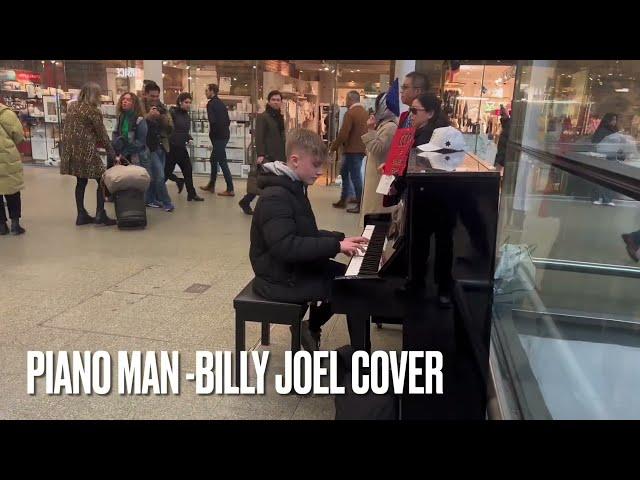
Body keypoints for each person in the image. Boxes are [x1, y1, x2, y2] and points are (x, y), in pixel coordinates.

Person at [250, 128, 370, 351]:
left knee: (351, 279)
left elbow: (305, 233)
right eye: (315, 165)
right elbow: (286, 246)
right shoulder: (276, 196)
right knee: (353, 289)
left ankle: (311, 327)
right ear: (295, 161)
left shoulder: (292, 187)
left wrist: (342, 240)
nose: (319, 171)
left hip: (289, 269)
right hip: (278, 278)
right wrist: (335, 245)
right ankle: (359, 357)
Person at [59, 82, 117, 226]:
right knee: (102, 180)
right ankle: (100, 214)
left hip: (71, 149)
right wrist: (112, 154)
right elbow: (102, 134)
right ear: (94, 95)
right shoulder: (93, 110)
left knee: (81, 181)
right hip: (86, 150)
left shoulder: (72, 107)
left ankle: (81, 214)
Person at [239, 90, 286, 215]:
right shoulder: (263, 117)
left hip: (279, 154)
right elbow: (259, 136)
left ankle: (248, 201)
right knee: (263, 181)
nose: (276, 102)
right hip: (267, 154)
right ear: (269, 101)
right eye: (273, 100)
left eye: (278, 100)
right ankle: (249, 202)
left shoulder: (279, 117)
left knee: (267, 181)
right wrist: (260, 154)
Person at [359, 91, 398, 226]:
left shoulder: (390, 127)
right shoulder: (385, 125)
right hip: (376, 177)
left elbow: (377, 150)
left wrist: (370, 130)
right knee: (372, 215)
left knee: (375, 216)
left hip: (379, 179)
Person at [330, 90, 368, 214]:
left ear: (350, 99)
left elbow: (343, 134)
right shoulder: (365, 113)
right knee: (345, 172)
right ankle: (345, 199)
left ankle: (359, 203)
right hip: (362, 149)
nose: (346, 102)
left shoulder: (350, 113)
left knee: (355, 177)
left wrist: (333, 147)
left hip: (351, 150)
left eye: (347, 99)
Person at [141, 81, 175, 212]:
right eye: (152, 96)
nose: (155, 99)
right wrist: (148, 117)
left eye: (157, 96)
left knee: (156, 176)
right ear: (146, 95)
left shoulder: (162, 107)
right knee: (160, 175)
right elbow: (136, 123)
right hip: (148, 146)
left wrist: (161, 118)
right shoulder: (140, 106)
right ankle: (166, 202)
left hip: (162, 145)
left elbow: (170, 126)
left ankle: (150, 199)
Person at [167, 92, 203, 202]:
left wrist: (189, 137)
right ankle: (177, 181)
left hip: (181, 147)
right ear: (180, 102)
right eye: (186, 102)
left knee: (188, 170)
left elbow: (183, 131)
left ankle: (191, 194)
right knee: (166, 172)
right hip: (172, 147)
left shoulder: (186, 115)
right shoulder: (172, 113)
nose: (188, 105)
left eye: (190, 103)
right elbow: (170, 128)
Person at [200, 83, 234, 196]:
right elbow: (228, 121)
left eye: (206, 90)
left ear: (212, 91)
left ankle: (230, 189)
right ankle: (211, 185)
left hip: (218, 137)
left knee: (222, 161)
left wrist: (213, 135)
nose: (205, 93)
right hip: (224, 135)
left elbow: (212, 121)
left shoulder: (210, 104)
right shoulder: (221, 103)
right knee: (213, 159)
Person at [0, 101, 26, 235]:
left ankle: (1, 225)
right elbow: (18, 134)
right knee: (13, 190)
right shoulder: (7, 113)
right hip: (7, 156)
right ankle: (15, 224)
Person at [591, 113, 618, 206]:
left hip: (611, 157)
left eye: (615, 120)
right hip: (602, 157)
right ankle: (597, 197)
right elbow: (596, 142)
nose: (614, 122)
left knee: (610, 179)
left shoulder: (615, 130)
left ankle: (608, 199)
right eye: (613, 120)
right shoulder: (602, 130)